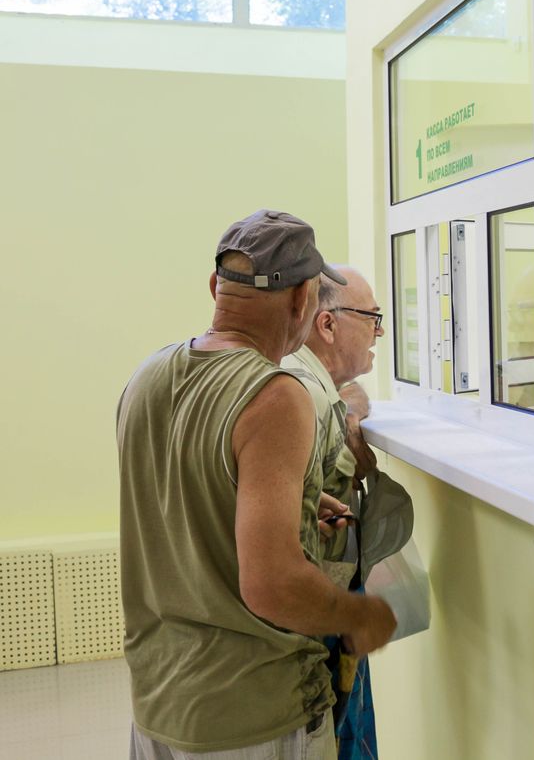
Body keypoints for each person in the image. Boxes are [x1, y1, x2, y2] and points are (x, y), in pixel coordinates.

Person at [117, 210, 395, 760]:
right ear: (301, 302)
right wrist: (361, 616)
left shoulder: (146, 375)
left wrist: (296, 508)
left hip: (158, 706)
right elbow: (271, 586)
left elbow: (188, 506)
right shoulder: (275, 395)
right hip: (253, 718)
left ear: (216, 285)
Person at [283, 266, 385, 759]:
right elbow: (307, 510)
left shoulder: (318, 387)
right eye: (372, 317)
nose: (379, 331)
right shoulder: (307, 395)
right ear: (327, 324)